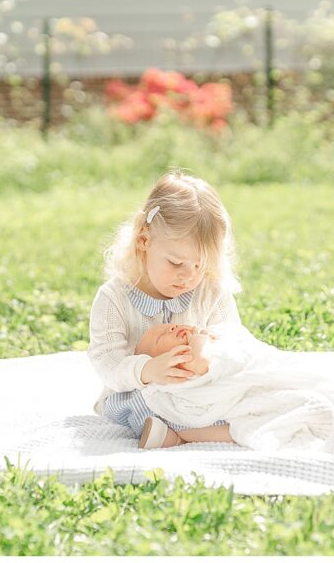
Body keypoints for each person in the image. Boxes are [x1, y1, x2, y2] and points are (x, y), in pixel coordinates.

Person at [88, 169, 242, 449]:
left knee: (238, 396)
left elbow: (232, 342)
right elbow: (106, 361)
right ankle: (188, 431)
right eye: (175, 263)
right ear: (144, 240)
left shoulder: (210, 291)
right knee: (142, 403)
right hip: (137, 391)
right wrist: (147, 370)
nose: (189, 276)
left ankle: (192, 431)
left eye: (199, 265)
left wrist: (205, 355)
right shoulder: (114, 298)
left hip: (196, 391)